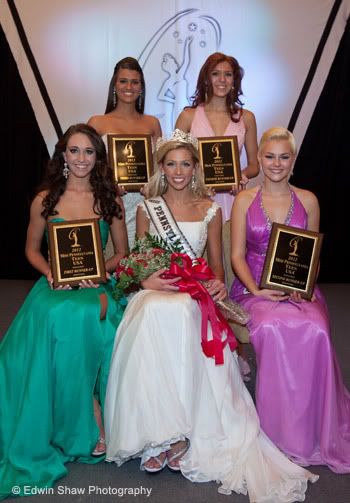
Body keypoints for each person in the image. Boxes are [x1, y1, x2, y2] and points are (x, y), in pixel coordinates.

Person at [104, 129, 317, 502]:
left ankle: (182, 430)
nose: (178, 171)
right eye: (171, 164)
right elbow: (138, 261)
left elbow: (217, 267)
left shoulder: (211, 209)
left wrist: (217, 286)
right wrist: (148, 279)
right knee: (153, 312)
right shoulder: (146, 208)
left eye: (185, 163)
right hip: (156, 291)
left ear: (195, 168)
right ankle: (156, 431)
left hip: (192, 294)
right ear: (161, 168)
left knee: (183, 313)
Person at [0, 124, 128, 497]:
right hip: (53, 285)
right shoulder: (44, 198)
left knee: (88, 315)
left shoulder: (111, 200)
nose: (82, 159)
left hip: (96, 284)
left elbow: (121, 254)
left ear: (98, 157)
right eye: (74, 151)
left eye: (89, 152)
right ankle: (85, 416)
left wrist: (100, 272)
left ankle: (92, 410)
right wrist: (52, 274)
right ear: (63, 156)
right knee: (61, 316)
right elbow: (31, 250)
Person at [230, 126, 350, 473]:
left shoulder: (309, 199)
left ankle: (313, 425)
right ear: (259, 159)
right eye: (269, 156)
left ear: (293, 161)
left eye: (284, 157)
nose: (276, 163)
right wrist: (256, 289)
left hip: (300, 289)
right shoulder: (244, 200)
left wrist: (302, 285)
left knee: (316, 329)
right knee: (273, 327)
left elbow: (312, 256)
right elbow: (237, 255)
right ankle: (279, 431)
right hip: (253, 288)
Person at [175, 52, 259, 223]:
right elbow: (173, 161)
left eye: (228, 74)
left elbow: (254, 166)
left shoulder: (247, 117)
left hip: (233, 199)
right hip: (195, 198)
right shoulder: (187, 117)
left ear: (234, 80)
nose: (222, 79)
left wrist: (238, 176)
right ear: (206, 79)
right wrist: (197, 179)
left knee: (230, 248)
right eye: (215, 74)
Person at [88, 56, 162, 249]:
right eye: (123, 81)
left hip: (144, 203)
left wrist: (152, 187)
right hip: (110, 204)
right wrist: (107, 184)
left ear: (141, 87)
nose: (129, 86)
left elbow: (159, 168)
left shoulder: (152, 123)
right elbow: (88, 167)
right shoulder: (97, 122)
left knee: (143, 266)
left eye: (135, 82)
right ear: (114, 84)